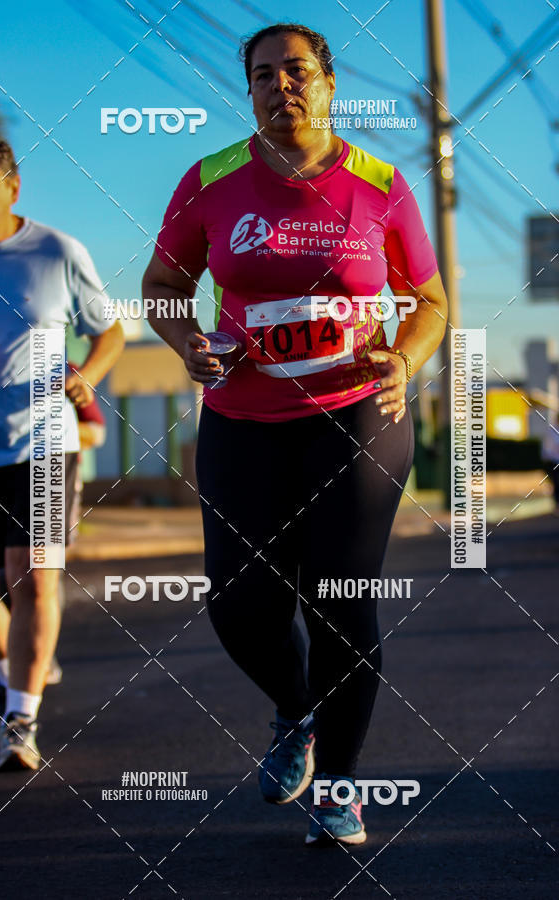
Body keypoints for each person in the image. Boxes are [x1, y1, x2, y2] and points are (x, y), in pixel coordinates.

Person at [142, 23, 448, 846]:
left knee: (339, 601)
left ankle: (341, 788)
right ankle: (295, 710)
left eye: (299, 71)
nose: (284, 85)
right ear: (249, 90)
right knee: (242, 607)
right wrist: (186, 342)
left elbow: (430, 300)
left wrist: (405, 361)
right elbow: (164, 283)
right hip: (244, 421)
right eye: (265, 74)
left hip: (356, 418)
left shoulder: (380, 182)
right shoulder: (211, 179)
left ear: (330, 83)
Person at [0, 136, 124, 771]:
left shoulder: (56, 252)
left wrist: (88, 375)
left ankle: (21, 718)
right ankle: (12, 675)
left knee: (32, 577)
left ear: (13, 185)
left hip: (44, 443)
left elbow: (107, 330)